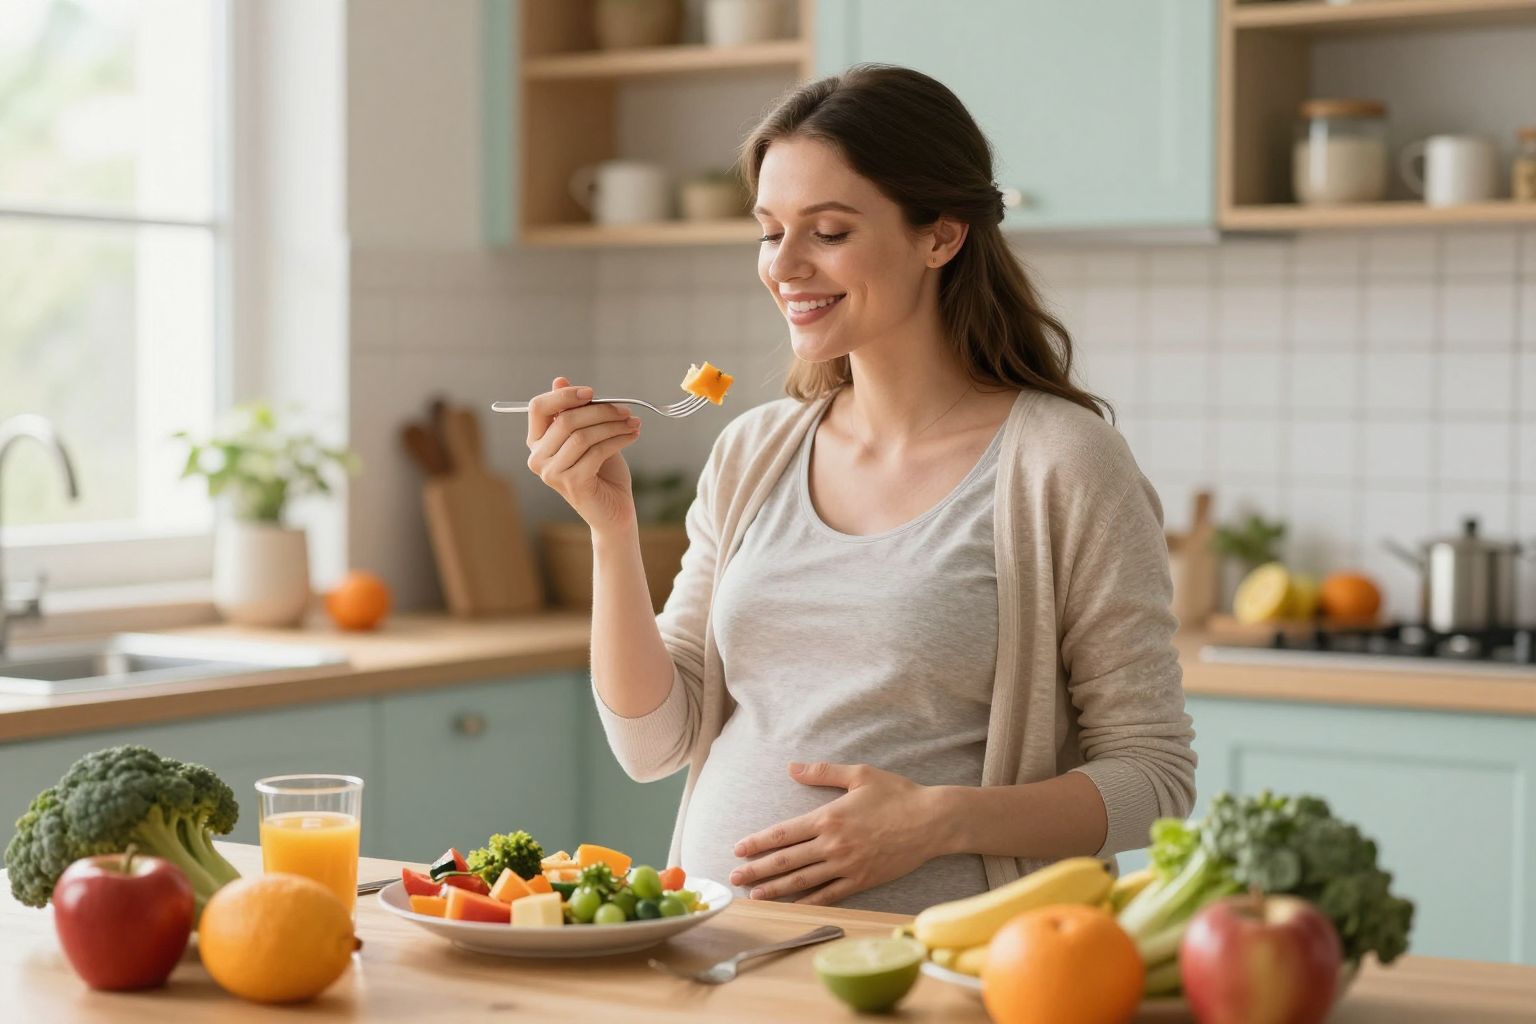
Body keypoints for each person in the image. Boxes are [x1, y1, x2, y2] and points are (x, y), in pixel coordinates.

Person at [523, 64, 1195, 914]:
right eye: (770, 232)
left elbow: (1155, 777)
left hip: (948, 974)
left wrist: (937, 823)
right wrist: (610, 531)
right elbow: (653, 744)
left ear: (941, 235)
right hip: (722, 955)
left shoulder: (1064, 464)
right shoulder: (753, 450)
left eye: (829, 232)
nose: (785, 266)